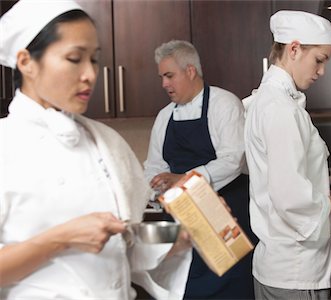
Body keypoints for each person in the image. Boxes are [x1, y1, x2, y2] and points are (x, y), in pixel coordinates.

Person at [0, 1, 192, 299]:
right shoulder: (6, 145)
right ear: (26, 61)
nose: (90, 74)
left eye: (94, 59)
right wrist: (60, 239)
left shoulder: (105, 142)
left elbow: (126, 237)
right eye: (75, 58)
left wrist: (179, 235)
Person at [243, 10, 331, 300]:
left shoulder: (275, 102)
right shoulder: (280, 109)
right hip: (294, 271)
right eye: (319, 60)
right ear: (294, 49)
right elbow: (290, 198)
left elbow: (283, 181)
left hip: (284, 266)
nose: (321, 71)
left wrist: (330, 192)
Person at [144, 40, 256, 299]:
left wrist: (184, 181)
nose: (164, 84)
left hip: (228, 222)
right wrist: (156, 186)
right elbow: (153, 166)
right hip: (185, 227)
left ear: (190, 71)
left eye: (169, 76)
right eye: (162, 77)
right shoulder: (164, 117)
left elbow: (233, 159)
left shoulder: (224, 104)